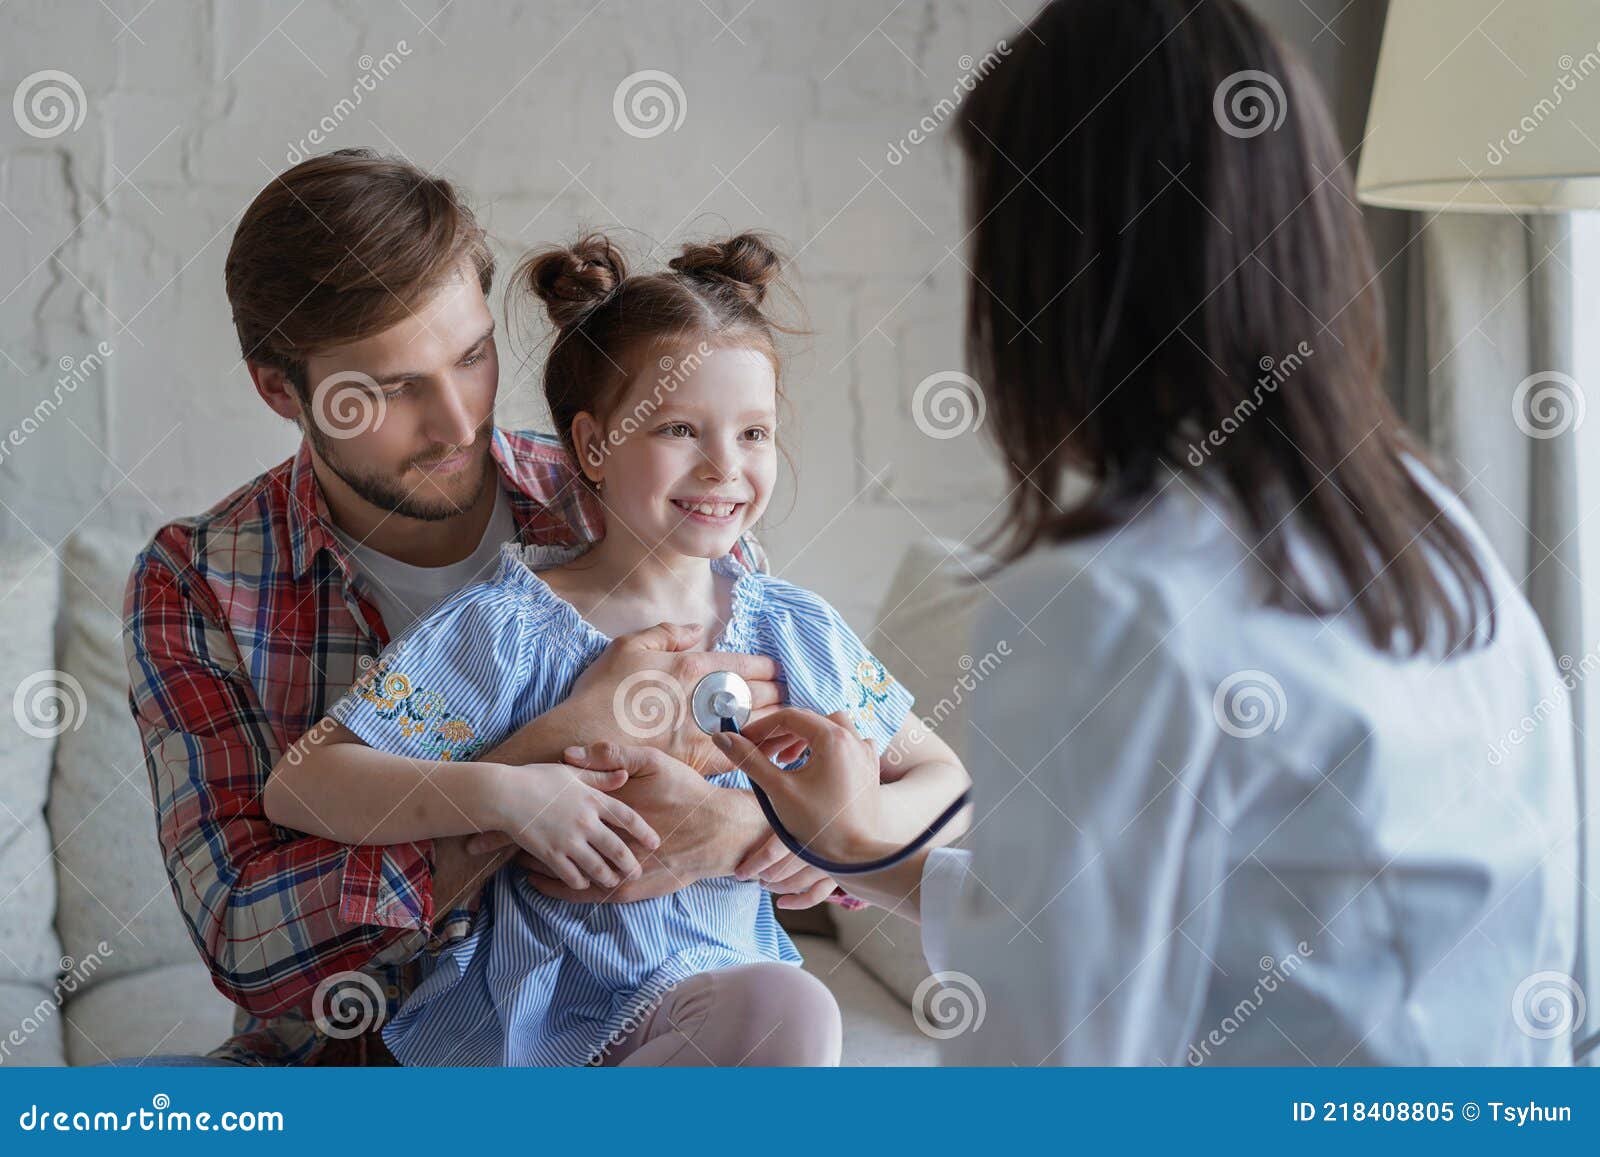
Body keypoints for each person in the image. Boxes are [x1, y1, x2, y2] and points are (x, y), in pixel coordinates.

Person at [708, 0, 1580, 1066]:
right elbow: (1125, 920)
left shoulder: (1107, 600)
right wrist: (859, 851)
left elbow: (1053, 1064)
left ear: (1059, 267)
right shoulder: (1432, 526)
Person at [114, 152, 808, 1066]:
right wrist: (539, 759)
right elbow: (248, 939)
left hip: (646, 1015)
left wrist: (742, 830)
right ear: (281, 390)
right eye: (392, 389)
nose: (457, 422)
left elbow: (837, 807)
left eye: (472, 356)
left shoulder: (636, 489)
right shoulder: (199, 581)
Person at [262, 232, 969, 1066]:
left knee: (794, 1011)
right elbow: (302, 785)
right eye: (680, 428)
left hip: (720, 1002)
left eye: (753, 433)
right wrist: (506, 794)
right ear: (594, 445)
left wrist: (840, 834)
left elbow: (945, 780)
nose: (723, 466)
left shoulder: (794, 628)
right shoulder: (506, 625)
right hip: (538, 1023)